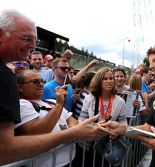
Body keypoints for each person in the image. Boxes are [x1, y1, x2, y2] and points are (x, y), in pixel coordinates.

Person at [0, 9, 102, 165]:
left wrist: (76, 127)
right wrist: (71, 133)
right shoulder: (6, 78)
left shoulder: (51, 99)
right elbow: (5, 150)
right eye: (26, 38)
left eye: (35, 40)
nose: (33, 45)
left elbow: (69, 117)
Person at [16, 70, 77, 167]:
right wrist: (59, 105)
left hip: (69, 160)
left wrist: (69, 133)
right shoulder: (20, 104)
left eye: (42, 81)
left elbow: (72, 120)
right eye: (36, 82)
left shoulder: (51, 101)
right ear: (19, 87)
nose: (41, 85)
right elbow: (38, 132)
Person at [78, 67, 128, 167]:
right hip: (88, 146)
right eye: (105, 79)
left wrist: (117, 132)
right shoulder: (90, 98)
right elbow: (81, 120)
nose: (109, 81)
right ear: (98, 80)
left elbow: (124, 122)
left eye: (111, 78)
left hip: (107, 147)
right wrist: (95, 126)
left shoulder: (120, 101)